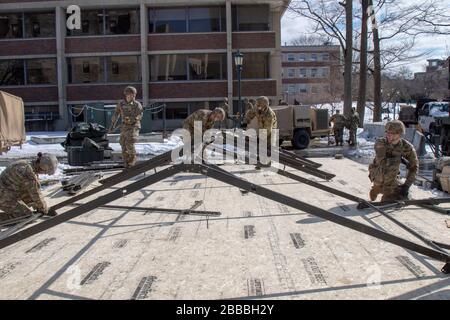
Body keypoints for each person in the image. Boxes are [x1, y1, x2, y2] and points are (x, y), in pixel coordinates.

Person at [368, 120, 418, 202]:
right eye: (387, 132)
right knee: (392, 167)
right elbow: (382, 162)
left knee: (403, 197)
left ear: (399, 134)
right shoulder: (381, 143)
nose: (388, 135)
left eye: (392, 133)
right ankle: (377, 188)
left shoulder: (407, 147)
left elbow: (414, 167)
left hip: (391, 177)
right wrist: (400, 159)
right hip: (378, 174)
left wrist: (406, 186)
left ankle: (387, 191)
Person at [0, 153, 58, 222]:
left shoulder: (26, 164)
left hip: (6, 192)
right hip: (4, 196)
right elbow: (36, 194)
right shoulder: (29, 173)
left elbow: (28, 192)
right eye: (45, 172)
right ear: (42, 168)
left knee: (29, 204)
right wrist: (44, 209)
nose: (44, 174)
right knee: (26, 215)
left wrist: (36, 205)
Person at [109, 86, 144, 168]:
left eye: (133, 95)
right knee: (123, 143)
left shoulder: (137, 104)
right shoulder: (121, 104)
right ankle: (126, 162)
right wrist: (112, 126)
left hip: (134, 126)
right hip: (124, 126)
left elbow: (140, 115)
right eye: (131, 95)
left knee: (129, 142)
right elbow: (116, 115)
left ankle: (132, 159)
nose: (132, 96)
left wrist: (133, 119)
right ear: (127, 95)